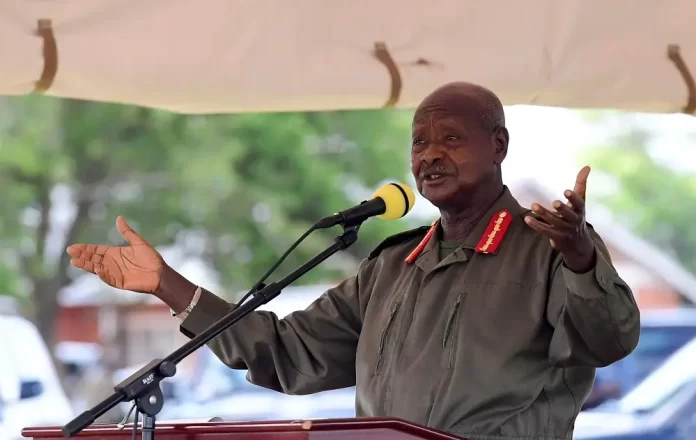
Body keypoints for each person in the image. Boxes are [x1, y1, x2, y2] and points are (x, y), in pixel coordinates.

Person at [66, 82, 640, 440]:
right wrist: (171, 286)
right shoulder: (391, 266)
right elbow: (289, 354)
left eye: (450, 138)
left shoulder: (550, 246)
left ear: (499, 146)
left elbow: (609, 340)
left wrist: (582, 257)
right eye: (419, 142)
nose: (429, 154)